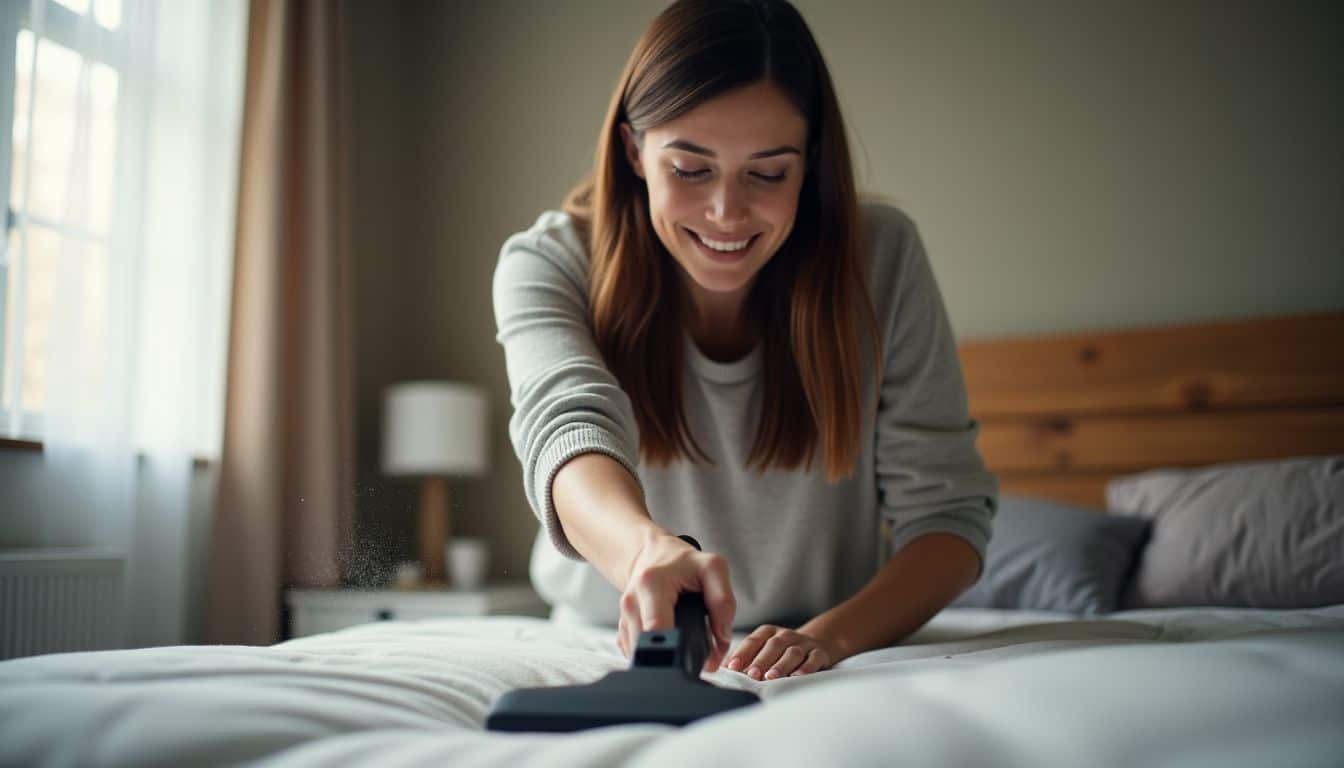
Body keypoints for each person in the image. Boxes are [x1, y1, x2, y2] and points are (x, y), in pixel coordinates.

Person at [493, 0, 997, 682]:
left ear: (810, 164)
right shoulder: (546, 262)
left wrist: (829, 639)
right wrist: (646, 556)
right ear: (634, 151)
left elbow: (948, 519)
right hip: (598, 640)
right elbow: (566, 429)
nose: (727, 213)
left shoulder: (882, 262)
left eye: (768, 173)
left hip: (832, 643)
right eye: (691, 169)